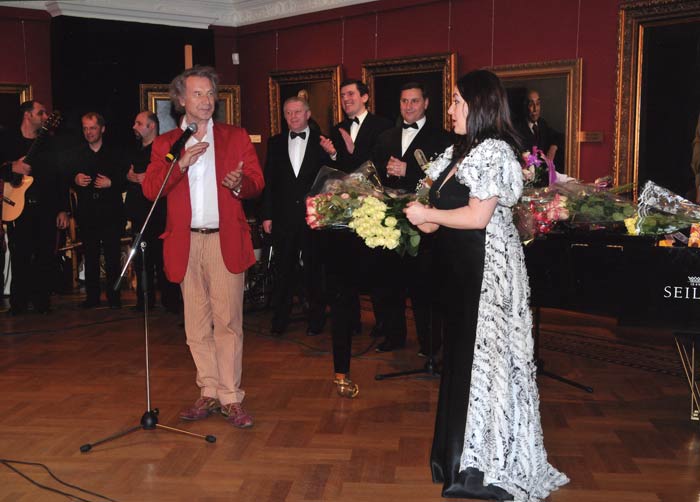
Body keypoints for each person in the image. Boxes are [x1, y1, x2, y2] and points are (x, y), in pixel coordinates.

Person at [404, 70, 568, 500]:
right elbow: (438, 216)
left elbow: (478, 217)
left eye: (457, 101)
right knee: (463, 361)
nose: (451, 109)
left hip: (487, 271)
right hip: (460, 272)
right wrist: (412, 213)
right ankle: (457, 458)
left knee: (486, 366)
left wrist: (428, 215)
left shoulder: (494, 151)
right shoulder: (458, 152)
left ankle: (485, 468)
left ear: (479, 106)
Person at [143, 66, 264, 428]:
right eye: (198, 94)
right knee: (196, 325)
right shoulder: (166, 144)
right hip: (185, 243)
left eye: (210, 93)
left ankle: (231, 397)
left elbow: (257, 181)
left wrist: (240, 183)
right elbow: (151, 189)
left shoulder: (235, 136)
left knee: (228, 323)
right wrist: (180, 163)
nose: (206, 100)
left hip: (224, 240)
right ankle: (208, 390)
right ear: (181, 100)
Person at [319, 79, 392, 397]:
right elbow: (335, 171)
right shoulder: (336, 129)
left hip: (375, 212)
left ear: (365, 97)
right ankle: (351, 324)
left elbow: (376, 166)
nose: (346, 98)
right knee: (346, 277)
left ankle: (389, 329)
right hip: (344, 217)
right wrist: (337, 152)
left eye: (351, 94)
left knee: (380, 276)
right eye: (342, 95)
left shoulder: (383, 126)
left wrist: (349, 151)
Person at [372, 82, 451, 354]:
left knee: (424, 287)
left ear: (426, 103)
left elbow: (444, 182)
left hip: (426, 224)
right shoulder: (385, 137)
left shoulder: (442, 139)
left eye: (414, 101)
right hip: (390, 222)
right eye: (404, 101)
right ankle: (393, 337)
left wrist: (409, 172)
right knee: (390, 283)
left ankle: (430, 345)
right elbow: (374, 176)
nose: (409, 106)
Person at [261, 96, 327, 336]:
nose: (293, 116)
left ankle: (316, 321)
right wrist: (267, 215)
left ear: (308, 114)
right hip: (284, 217)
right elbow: (269, 181)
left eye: (297, 112)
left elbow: (332, 178)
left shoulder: (322, 142)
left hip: (313, 217)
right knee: (283, 271)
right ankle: (279, 320)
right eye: (288, 112)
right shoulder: (275, 142)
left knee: (314, 271)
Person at [0, 100, 69, 315]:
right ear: (27, 115)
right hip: (17, 206)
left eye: (46, 113)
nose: (45, 116)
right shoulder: (7, 139)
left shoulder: (50, 142)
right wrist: (13, 167)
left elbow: (60, 177)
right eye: (41, 113)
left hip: (46, 206)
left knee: (45, 255)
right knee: (20, 255)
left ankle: (42, 303)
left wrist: (63, 209)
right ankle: (18, 303)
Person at [70, 112, 127, 309]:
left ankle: (114, 297)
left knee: (112, 257)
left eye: (92, 128)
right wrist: (75, 179)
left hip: (111, 212)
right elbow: (66, 177)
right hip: (87, 213)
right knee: (90, 255)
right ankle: (92, 297)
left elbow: (126, 178)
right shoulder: (77, 154)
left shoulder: (115, 153)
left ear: (102, 129)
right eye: (85, 128)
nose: (89, 132)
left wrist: (112, 183)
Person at [125, 111, 180, 312]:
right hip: (139, 212)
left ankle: (171, 301)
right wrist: (130, 177)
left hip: (159, 213)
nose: (134, 127)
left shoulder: (163, 149)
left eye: (139, 123)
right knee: (142, 260)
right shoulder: (136, 150)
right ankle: (144, 302)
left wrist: (148, 179)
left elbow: (168, 175)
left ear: (152, 126)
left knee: (163, 259)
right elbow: (129, 174)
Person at [518, 89, 564, 169]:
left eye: (538, 104)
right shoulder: (517, 127)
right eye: (531, 104)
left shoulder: (542, 123)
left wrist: (553, 147)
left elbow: (559, 136)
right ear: (525, 106)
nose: (535, 109)